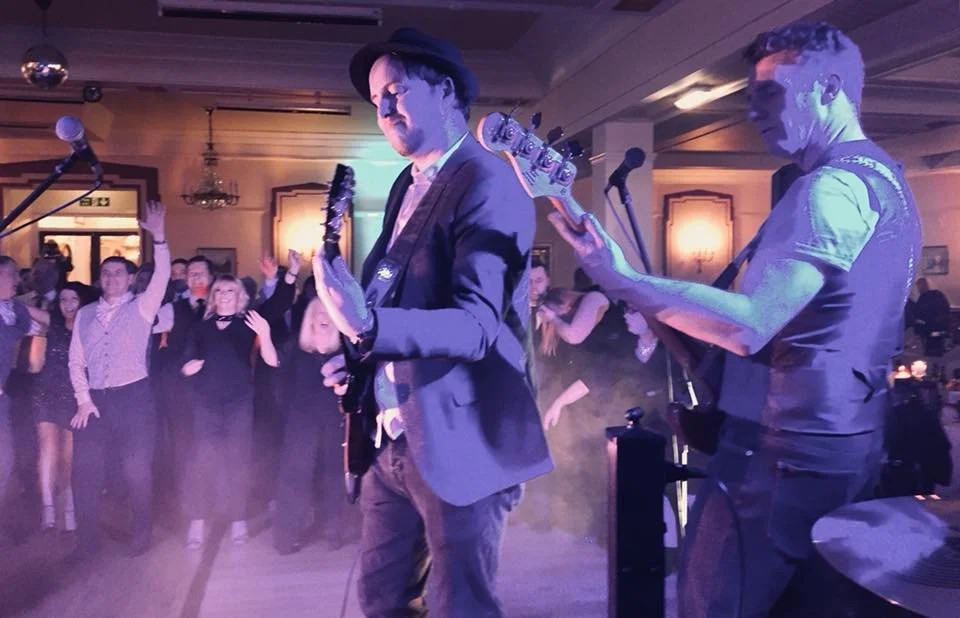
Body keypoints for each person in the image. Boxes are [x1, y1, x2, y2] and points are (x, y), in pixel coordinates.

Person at [548, 22, 921, 617]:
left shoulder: (829, 188)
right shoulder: (884, 178)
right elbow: (805, 332)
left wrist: (624, 281)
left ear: (828, 89)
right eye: (751, 94)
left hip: (786, 452)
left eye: (771, 91)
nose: (752, 108)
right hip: (838, 441)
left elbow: (752, 325)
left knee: (713, 602)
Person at [313, 27, 552, 616]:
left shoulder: (489, 181)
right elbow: (402, 296)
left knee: (459, 606)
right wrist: (358, 360)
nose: (384, 109)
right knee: (381, 599)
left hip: (460, 440)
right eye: (376, 101)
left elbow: (474, 326)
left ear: (446, 91)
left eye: (395, 89)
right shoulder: (407, 183)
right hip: (393, 435)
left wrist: (369, 328)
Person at [68, 201, 169, 561]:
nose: (111, 278)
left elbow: (162, 276)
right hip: (94, 401)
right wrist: (83, 399)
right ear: (99, 280)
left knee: (136, 469)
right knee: (85, 471)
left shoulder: (142, 305)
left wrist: (159, 238)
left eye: (117, 273)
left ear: (129, 279)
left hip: (134, 399)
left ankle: (141, 533)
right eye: (105, 274)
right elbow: (75, 360)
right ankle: (86, 542)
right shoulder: (85, 313)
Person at [180, 257, 296, 548]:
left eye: (230, 291)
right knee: (203, 461)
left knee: (238, 460)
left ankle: (238, 519)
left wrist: (292, 273)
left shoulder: (248, 321)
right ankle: (197, 520)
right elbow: (184, 359)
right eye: (219, 291)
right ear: (213, 297)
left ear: (240, 296)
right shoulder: (200, 327)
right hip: (205, 401)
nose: (224, 296)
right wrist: (188, 366)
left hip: (239, 402)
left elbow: (279, 303)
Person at [272, 298, 357, 554]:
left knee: (333, 475)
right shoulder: (296, 349)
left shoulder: (345, 349)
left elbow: (356, 383)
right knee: (295, 478)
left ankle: (334, 530)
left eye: (329, 312)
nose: (324, 316)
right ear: (309, 317)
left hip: (335, 419)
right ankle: (287, 537)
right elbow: (277, 377)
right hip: (300, 420)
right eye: (318, 312)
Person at [30, 282, 95, 532]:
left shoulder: (90, 327)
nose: (68, 305)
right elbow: (21, 308)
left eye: (73, 299)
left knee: (70, 454)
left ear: (82, 302)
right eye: (63, 300)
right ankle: (48, 507)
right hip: (45, 390)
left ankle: (68, 504)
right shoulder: (53, 323)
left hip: (75, 395)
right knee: (47, 447)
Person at [0, 257, 49, 538]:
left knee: (5, 462)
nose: (18, 281)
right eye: (12, 275)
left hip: (4, 396)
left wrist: (25, 307)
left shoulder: (14, 309)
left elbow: (50, 323)